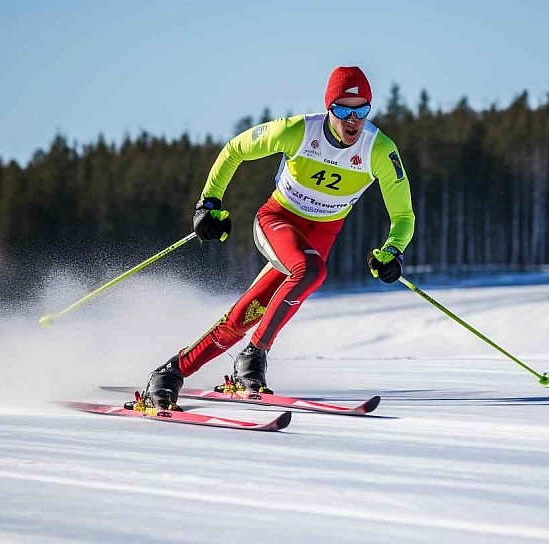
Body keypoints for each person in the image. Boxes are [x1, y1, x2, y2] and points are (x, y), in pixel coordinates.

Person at [144, 66, 415, 410]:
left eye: (361, 110)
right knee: (311, 271)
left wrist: (394, 251)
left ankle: (170, 373)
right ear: (329, 107)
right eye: (344, 109)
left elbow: (403, 216)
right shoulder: (298, 131)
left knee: (246, 315)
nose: (353, 119)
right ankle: (254, 356)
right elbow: (235, 149)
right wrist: (208, 203)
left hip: (318, 239)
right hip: (278, 221)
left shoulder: (379, 149)